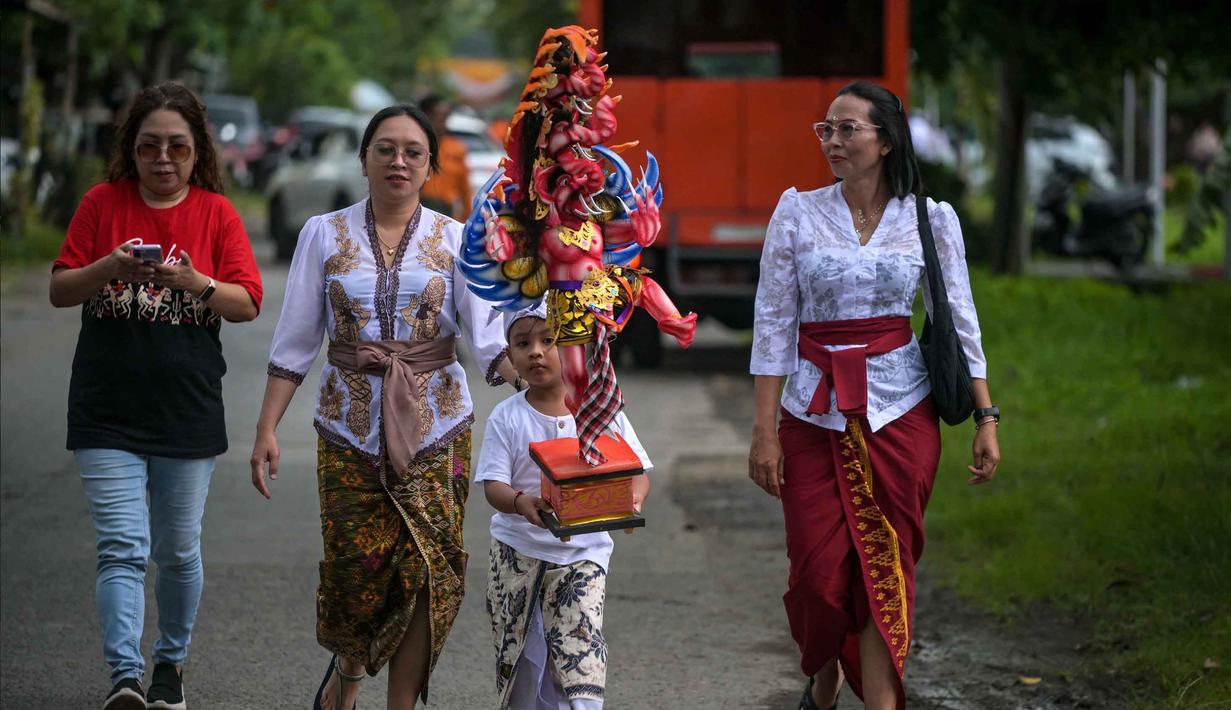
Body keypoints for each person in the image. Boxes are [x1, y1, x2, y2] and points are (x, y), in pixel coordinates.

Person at [250, 104, 518, 710]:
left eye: (413, 152)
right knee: (356, 575)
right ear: (365, 158)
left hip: (438, 427)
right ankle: (344, 683)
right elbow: (295, 340)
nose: (399, 161)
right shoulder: (322, 232)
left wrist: (545, 384)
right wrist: (267, 427)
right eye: (385, 149)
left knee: (429, 572)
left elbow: (487, 340)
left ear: (430, 166)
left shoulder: (456, 239)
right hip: (346, 428)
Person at [747, 81, 1002, 710]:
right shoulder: (797, 213)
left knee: (885, 566)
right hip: (812, 412)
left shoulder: (930, 219)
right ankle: (824, 672)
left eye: (847, 129)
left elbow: (959, 318)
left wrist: (986, 414)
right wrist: (764, 431)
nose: (832, 141)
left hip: (902, 412)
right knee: (817, 577)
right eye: (825, 129)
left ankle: (883, 700)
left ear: (885, 140)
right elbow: (774, 321)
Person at [49, 82, 263, 710]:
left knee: (177, 551)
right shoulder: (100, 204)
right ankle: (124, 677)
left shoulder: (216, 214)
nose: (163, 158)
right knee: (122, 546)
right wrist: (109, 268)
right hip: (105, 409)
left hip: (186, 409)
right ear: (131, 150)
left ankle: (169, 665)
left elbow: (248, 302)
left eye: (177, 146)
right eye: (149, 147)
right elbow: (62, 289)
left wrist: (195, 281)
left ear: (198, 153)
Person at [475, 303, 651, 709]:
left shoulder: (600, 411)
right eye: (523, 343)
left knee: (580, 650)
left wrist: (632, 497)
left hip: (583, 556)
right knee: (523, 655)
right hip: (517, 554)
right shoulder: (507, 417)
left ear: (575, 347)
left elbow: (637, 469)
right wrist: (521, 502)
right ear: (510, 354)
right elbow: (493, 486)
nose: (535, 352)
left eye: (549, 340)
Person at [418, 94, 472, 222]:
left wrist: (467, 218)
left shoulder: (456, 148)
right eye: (438, 115)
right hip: (418, 211)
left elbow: (464, 187)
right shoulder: (415, 147)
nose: (443, 120)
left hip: (447, 214)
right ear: (426, 116)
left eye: (446, 115)